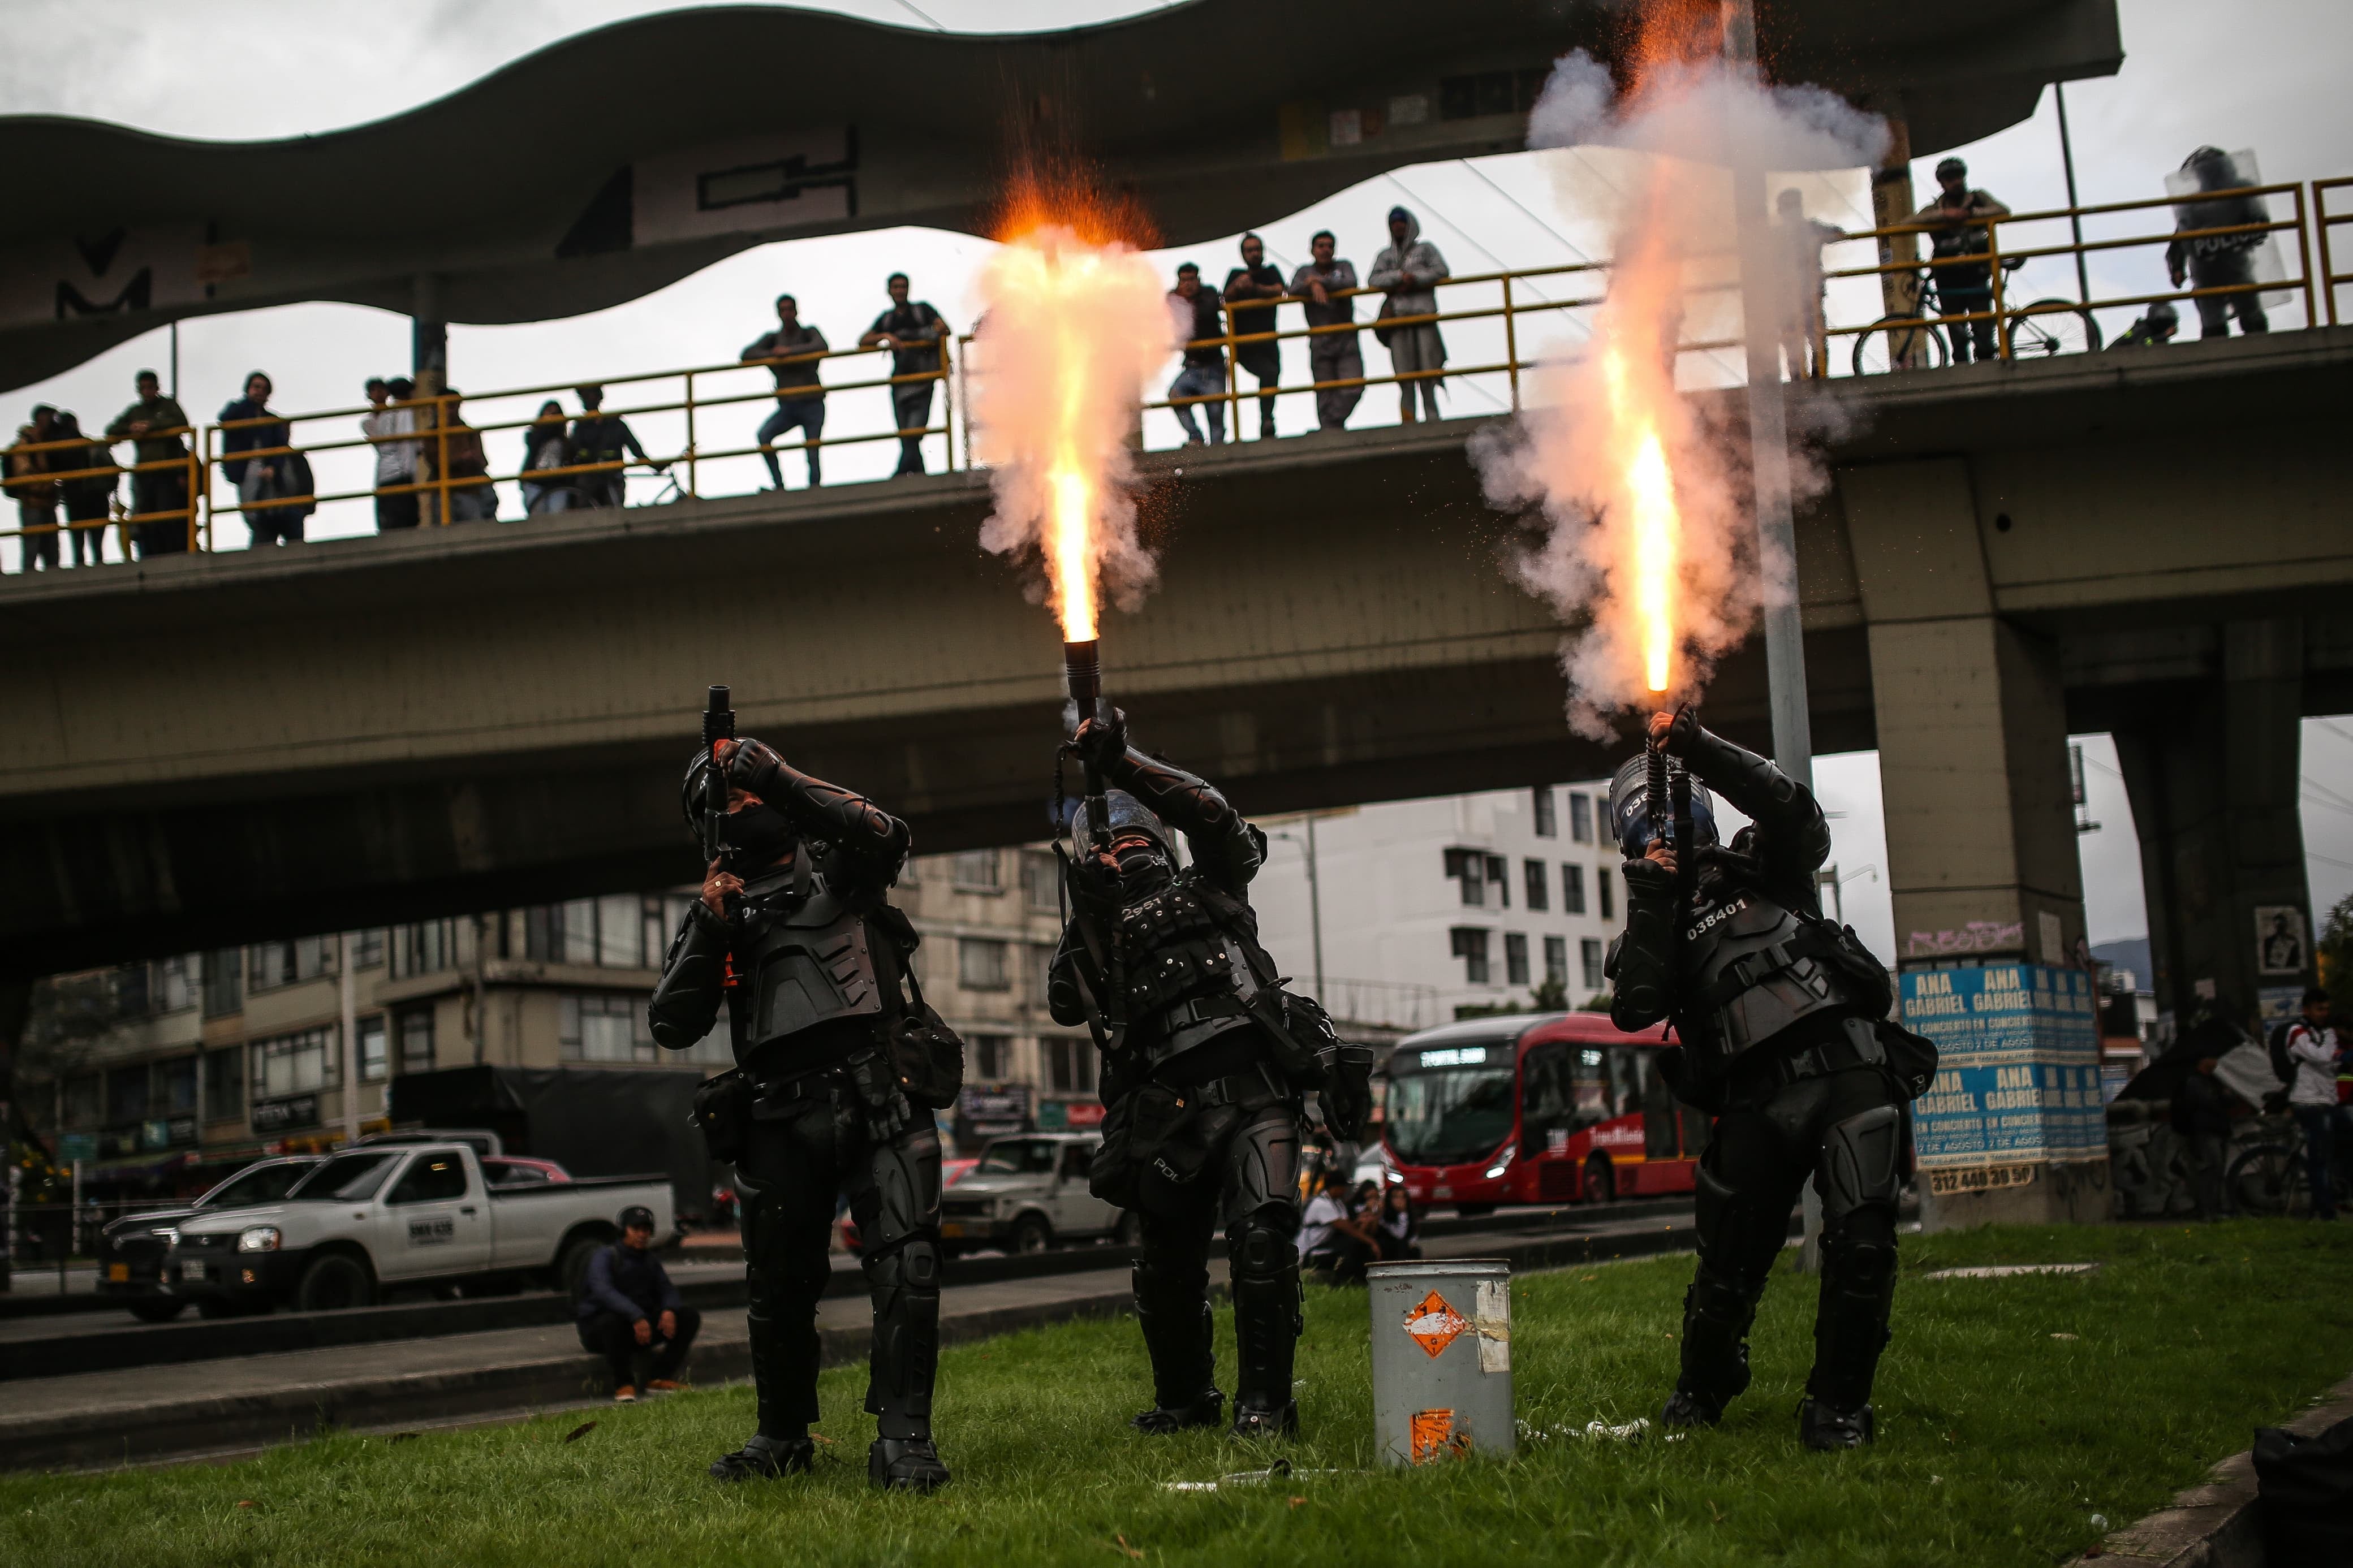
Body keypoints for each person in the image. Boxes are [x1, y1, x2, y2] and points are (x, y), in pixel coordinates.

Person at [1605, 708, 1933, 1450]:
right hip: (1757, 1099)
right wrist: (1653, 898)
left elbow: (1796, 812)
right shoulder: (1645, 927)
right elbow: (1639, 1007)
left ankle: (1838, 1408)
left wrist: (1697, 746)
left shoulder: (1769, 868)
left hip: (1851, 1070)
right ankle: (1705, 1382)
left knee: (1864, 1246)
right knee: (1727, 1272)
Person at [1049, 707, 1370, 1441]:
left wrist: (1122, 760)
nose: (1127, 848)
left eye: (1139, 835)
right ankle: (1185, 1398)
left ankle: (1266, 1405)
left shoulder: (1215, 883)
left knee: (1262, 1240)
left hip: (1258, 1093)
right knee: (1165, 1265)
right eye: (1112, 840)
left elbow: (1217, 819)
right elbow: (1068, 1002)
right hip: (1168, 1115)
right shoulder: (1099, 931)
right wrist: (1088, 911)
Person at [647, 730, 949, 1490]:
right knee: (777, 1290)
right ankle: (781, 1435)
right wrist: (710, 924)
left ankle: (905, 1440)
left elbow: (886, 833)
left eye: (749, 791)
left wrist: (777, 775)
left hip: (878, 1094)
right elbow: (671, 1021)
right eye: (725, 796)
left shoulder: (840, 868)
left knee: (906, 1267)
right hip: (778, 1113)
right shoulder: (718, 910)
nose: (742, 801)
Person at [575, 1204, 701, 1401]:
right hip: (603, 1331)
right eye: (637, 1230)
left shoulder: (649, 1260)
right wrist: (636, 1316)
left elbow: (666, 1288)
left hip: (640, 1330)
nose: (642, 1235)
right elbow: (604, 1291)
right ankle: (624, 1384)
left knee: (688, 1317)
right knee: (611, 1322)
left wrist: (669, 1310)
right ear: (624, 1231)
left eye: (646, 1230)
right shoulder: (606, 1256)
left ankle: (659, 1377)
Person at [1910, 158, 2010, 365]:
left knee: (1983, 328)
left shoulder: (1978, 198)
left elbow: (2003, 211)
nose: (1956, 181)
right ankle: (1962, 365)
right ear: (1942, 183)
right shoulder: (1935, 208)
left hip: (1977, 274)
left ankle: (1986, 364)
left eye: (1958, 176)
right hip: (1948, 278)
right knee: (1956, 332)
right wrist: (1943, 215)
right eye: (1950, 178)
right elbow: (1909, 222)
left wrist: (1971, 214)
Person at [2167, 146, 2270, 340]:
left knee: (2250, 317)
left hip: (2235, 267)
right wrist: (2176, 267)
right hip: (2209, 272)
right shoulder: (2193, 204)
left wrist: (2176, 267)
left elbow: (2261, 223)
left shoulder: (2240, 192)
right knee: (2215, 324)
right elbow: (2180, 239)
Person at [857, 274, 949, 477]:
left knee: (913, 433)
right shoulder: (888, 319)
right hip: (900, 383)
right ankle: (920, 475)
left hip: (922, 381)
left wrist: (920, 335)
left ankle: (900, 475)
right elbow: (863, 341)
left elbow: (944, 328)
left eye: (903, 287)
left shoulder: (922, 310)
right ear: (889, 291)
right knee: (906, 435)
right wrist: (886, 336)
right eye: (896, 287)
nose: (900, 291)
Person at [1369, 206, 1450, 422]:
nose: (1398, 225)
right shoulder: (1386, 256)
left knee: (1428, 372)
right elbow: (1374, 280)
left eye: (1401, 221)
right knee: (1404, 376)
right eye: (1393, 222)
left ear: (1410, 224)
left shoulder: (1426, 250)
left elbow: (1442, 271)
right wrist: (1398, 277)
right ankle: (1408, 421)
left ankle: (1433, 418)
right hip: (1398, 320)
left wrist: (1415, 278)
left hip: (1423, 317)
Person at [744, 294, 830, 489]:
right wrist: (773, 354)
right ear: (778, 314)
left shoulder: (809, 332)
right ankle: (779, 486)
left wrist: (790, 352)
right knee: (764, 436)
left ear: (796, 311)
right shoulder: (773, 339)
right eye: (783, 310)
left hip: (812, 402)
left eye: (790, 309)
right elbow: (747, 355)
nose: (787, 314)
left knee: (812, 450)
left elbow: (822, 346)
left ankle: (814, 489)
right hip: (789, 406)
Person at [105, 370, 192, 556]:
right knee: (145, 516)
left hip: (167, 471)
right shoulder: (135, 412)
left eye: (150, 387)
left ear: (157, 388)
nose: (147, 391)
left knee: (166, 514)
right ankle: (150, 554)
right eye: (143, 388)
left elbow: (182, 422)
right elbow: (112, 430)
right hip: (144, 472)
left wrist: (151, 426)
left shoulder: (168, 406)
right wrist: (130, 428)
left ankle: (170, 552)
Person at [218, 372, 308, 547]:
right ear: (248, 389)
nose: (260, 392)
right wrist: (247, 402)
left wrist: (273, 468)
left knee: (276, 513)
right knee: (252, 514)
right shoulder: (238, 410)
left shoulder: (271, 421)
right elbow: (224, 420)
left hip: (269, 472)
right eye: (256, 387)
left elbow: (280, 447)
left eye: (264, 389)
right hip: (245, 469)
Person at [1290, 231, 1363, 431]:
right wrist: (1311, 283)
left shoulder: (1344, 266)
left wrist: (1321, 283)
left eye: (1330, 246)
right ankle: (1331, 430)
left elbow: (1351, 282)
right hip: (1320, 340)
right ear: (1312, 250)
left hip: (1346, 338)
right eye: (1321, 246)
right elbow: (1293, 289)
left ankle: (1331, 424)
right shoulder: (1304, 271)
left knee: (1354, 386)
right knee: (1324, 392)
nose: (1325, 250)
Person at [1773, 189, 1845, 380]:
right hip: (1798, 294)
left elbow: (1838, 234)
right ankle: (1816, 376)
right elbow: (1839, 233)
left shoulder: (1784, 233)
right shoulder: (1810, 229)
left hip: (1798, 295)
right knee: (1810, 336)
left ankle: (1804, 377)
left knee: (1802, 336)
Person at [2285, 988, 2342, 1221]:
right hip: (2307, 1101)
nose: (2324, 1014)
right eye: (2319, 1009)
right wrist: (2332, 1048)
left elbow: (2331, 1064)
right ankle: (2326, 1213)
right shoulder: (2297, 1032)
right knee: (2319, 1158)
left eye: (2327, 1009)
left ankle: (2332, 1198)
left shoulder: (2326, 1032)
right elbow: (2323, 1057)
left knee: (2333, 1152)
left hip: (2327, 1098)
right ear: (2307, 1010)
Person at [1223, 234, 1286, 439]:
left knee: (1272, 375)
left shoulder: (1271, 272)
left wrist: (1255, 288)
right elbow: (1225, 298)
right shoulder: (1235, 275)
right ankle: (1267, 420)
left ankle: (1267, 420)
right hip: (1244, 344)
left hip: (1268, 341)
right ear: (1243, 254)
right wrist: (1238, 286)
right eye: (1250, 250)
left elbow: (1280, 290)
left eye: (1257, 249)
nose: (1254, 254)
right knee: (1269, 373)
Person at [566, 386, 663, 510]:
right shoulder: (580, 427)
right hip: (589, 479)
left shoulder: (616, 424)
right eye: (584, 397)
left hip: (612, 477)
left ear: (599, 398)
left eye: (590, 396)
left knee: (614, 511)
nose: (586, 401)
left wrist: (657, 466)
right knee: (585, 511)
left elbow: (637, 451)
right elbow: (574, 451)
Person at [1165, 264, 1227, 445]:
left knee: (1215, 414)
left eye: (1191, 279)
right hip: (1192, 366)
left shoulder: (1208, 294)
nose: (1189, 284)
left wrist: (1182, 301)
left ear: (1198, 280)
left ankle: (1218, 450)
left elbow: (1206, 311)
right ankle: (1195, 436)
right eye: (1184, 280)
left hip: (1213, 365)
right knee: (1175, 395)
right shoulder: (1176, 298)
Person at [2170, 1052, 2236, 1221]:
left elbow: (2226, 1100)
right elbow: (2208, 1102)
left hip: (2218, 1129)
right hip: (2206, 1131)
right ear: (2204, 1061)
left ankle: (2214, 1209)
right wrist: (2223, 1096)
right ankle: (2208, 1210)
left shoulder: (2212, 1080)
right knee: (2211, 1169)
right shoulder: (2195, 1082)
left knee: (2216, 1170)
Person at [51, 411, 115, 565]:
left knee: (79, 542)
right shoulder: (91, 446)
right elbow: (113, 472)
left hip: (80, 498)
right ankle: (97, 567)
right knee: (95, 543)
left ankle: (83, 568)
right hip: (94, 497)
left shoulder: (59, 448)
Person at [1296, 1170, 1377, 1285]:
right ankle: (1348, 1282)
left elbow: (1349, 1227)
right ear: (1335, 1187)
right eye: (1343, 1187)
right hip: (1312, 1253)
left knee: (1356, 1245)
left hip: (1326, 1248)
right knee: (1352, 1248)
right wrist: (1371, 1242)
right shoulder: (1321, 1204)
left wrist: (1362, 1220)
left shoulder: (1338, 1203)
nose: (1345, 1190)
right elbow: (1346, 1228)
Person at [362, 377, 421, 532]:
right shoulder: (400, 412)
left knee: (391, 524)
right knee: (405, 522)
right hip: (400, 474)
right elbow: (406, 445)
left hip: (386, 475)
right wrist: (410, 475)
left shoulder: (385, 417)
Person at [428, 390, 496, 522]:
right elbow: (433, 459)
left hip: (469, 490)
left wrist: (466, 459)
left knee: (474, 531)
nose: (450, 409)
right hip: (444, 492)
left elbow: (481, 461)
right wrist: (460, 459)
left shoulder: (469, 432)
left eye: (453, 405)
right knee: (446, 532)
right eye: (447, 405)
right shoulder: (432, 434)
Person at [7, 405, 62, 571]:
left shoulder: (47, 443)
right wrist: (47, 487)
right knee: (33, 546)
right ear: (41, 419)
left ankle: (53, 578)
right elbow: (24, 475)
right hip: (33, 503)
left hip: (47, 503)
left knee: (52, 548)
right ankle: (29, 577)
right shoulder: (25, 444)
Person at [520, 400, 571, 514]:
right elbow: (534, 444)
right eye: (549, 412)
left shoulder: (565, 442)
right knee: (538, 515)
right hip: (535, 482)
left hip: (557, 483)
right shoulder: (533, 435)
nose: (552, 416)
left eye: (555, 414)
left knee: (557, 513)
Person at [1374, 1181, 1420, 1262]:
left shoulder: (1408, 1215)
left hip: (1403, 1248)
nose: (1400, 1201)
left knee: (1414, 1250)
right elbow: (1399, 1235)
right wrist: (1402, 1213)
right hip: (1387, 1248)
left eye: (1403, 1197)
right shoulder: (1384, 1216)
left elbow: (1413, 1235)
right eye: (1396, 1197)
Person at [2108, 300, 2180, 349]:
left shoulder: (2156, 334)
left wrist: (2164, 336)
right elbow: (2143, 343)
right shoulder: (2142, 328)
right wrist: (2164, 335)